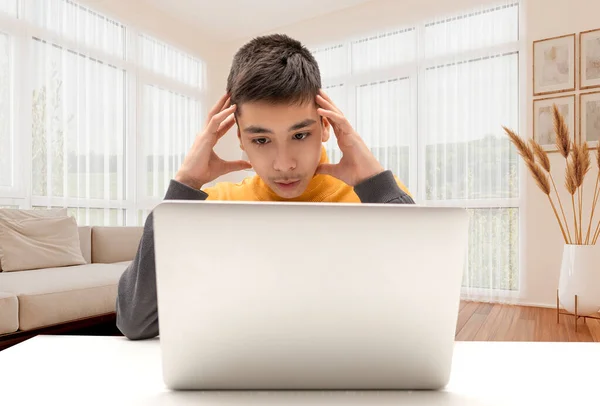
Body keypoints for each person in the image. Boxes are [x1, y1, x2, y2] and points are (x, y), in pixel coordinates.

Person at [116, 34, 415, 340]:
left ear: (326, 127)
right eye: (261, 140)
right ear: (240, 139)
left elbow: (421, 304)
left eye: (300, 135)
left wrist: (375, 183)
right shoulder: (211, 207)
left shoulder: (378, 200)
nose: (284, 164)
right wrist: (183, 186)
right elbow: (136, 322)